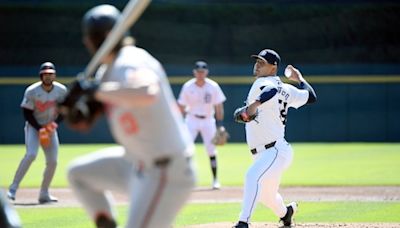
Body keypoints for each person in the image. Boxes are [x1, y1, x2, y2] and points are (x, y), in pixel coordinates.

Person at [63, 4, 196, 228]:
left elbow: (146, 92)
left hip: (166, 170)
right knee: (78, 175)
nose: (86, 42)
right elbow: (84, 122)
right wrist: (72, 109)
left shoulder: (131, 60)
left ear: (100, 38)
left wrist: (94, 90)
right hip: (137, 164)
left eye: (89, 37)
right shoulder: (106, 72)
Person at [232, 49, 317, 227]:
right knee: (267, 196)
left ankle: (243, 222)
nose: (257, 65)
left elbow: (270, 90)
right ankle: (287, 213)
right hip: (267, 153)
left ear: (273, 68)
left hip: (275, 150)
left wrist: (255, 104)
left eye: (262, 63)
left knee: (251, 176)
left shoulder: (264, 83)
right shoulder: (287, 89)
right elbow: (310, 96)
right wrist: (300, 80)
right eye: (257, 62)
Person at [7, 62, 66, 204]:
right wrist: (39, 129)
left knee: (53, 161)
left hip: (50, 128)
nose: (48, 76)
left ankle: (44, 194)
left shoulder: (61, 90)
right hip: (34, 127)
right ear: (41, 75)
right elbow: (27, 113)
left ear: (54, 75)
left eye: (50, 74)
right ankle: (12, 189)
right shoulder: (32, 91)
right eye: (45, 74)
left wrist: (54, 125)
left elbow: (65, 110)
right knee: (31, 154)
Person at [177, 61, 226, 189]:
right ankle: (185, 180)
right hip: (191, 119)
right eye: (198, 72)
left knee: (211, 150)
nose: (200, 74)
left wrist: (220, 125)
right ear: (194, 72)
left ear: (206, 72)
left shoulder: (213, 86)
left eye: (202, 72)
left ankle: (215, 180)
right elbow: (181, 106)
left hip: (208, 120)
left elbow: (219, 106)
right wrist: (178, 123)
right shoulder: (188, 86)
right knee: (185, 148)